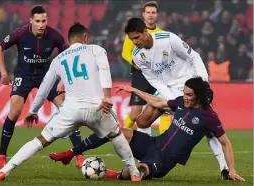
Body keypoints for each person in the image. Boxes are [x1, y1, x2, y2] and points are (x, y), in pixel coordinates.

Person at [50, 17, 230, 180]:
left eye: (136, 38)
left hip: (191, 87)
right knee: (142, 121)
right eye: (131, 40)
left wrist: (202, 83)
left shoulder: (168, 39)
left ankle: (224, 168)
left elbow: (194, 57)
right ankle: (147, 151)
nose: (135, 43)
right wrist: (168, 100)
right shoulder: (138, 56)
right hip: (169, 91)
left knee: (207, 126)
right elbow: (154, 79)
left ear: (145, 32)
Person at [0, 22, 141, 182]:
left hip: (70, 110)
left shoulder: (58, 59)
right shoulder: (96, 50)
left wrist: (33, 111)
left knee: (39, 141)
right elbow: (104, 70)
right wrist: (107, 96)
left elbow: (43, 89)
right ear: (85, 37)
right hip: (96, 108)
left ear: (69, 41)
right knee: (117, 135)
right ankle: (134, 173)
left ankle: (4, 171)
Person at [52, 77, 246, 182]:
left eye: (189, 95)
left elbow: (226, 143)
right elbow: (159, 102)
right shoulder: (181, 103)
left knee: (137, 173)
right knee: (114, 130)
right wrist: (136, 91)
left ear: (199, 95)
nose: (185, 97)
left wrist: (231, 170)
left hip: (163, 161)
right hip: (153, 143)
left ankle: (117, 174)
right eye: (184, 93)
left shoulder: (209, 117)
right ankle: (71, 153)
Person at [0, 5, 84, 168]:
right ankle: (1, 155)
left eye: (44, 20)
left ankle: (79, 155)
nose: (41, 24)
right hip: (24, 75)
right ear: (31, 21)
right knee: (14, 111)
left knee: (66, 109)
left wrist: (63, 80)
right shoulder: (21, 34)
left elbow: (67, 56)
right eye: (38, 21)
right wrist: (4, 73)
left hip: (46, 76)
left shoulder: (54, 35)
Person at [122, 1, 170, 135]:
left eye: (153, 12)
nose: (150, 15)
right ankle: (120, 137)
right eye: (148, 12)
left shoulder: (162, 34)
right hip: (140, 75)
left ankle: (164, 143)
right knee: (135, 113)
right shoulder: (133, 33)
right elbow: (126, 53)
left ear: (157, 15)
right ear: (143, 14)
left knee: (165, 110)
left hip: (158, 75)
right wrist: (140, 65)